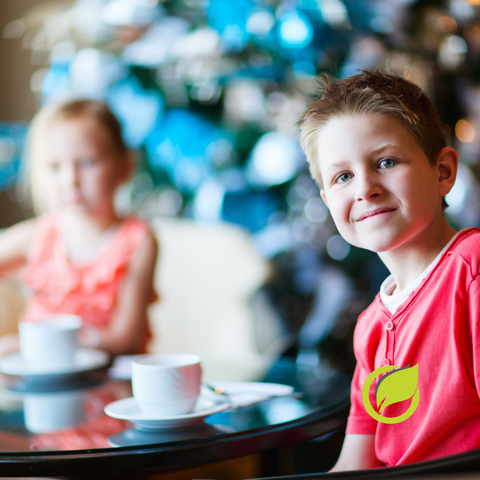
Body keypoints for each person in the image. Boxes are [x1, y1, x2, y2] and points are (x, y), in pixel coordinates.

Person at [297, 70, 480, 469]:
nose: (365, 188)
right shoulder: (370, 329)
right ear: (328, 200)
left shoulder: (473, 272)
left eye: (386, 162)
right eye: (343, 176)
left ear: (443, 172)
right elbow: (353, 467)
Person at [0, 99, 158, 356]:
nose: (70, 180)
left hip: (109, 382)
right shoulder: (36, 237)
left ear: (124, 167)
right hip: (40, 380)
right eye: (54, 167)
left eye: (86, 163)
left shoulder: (138, 241)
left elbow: (124, 340)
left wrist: (25, 346)